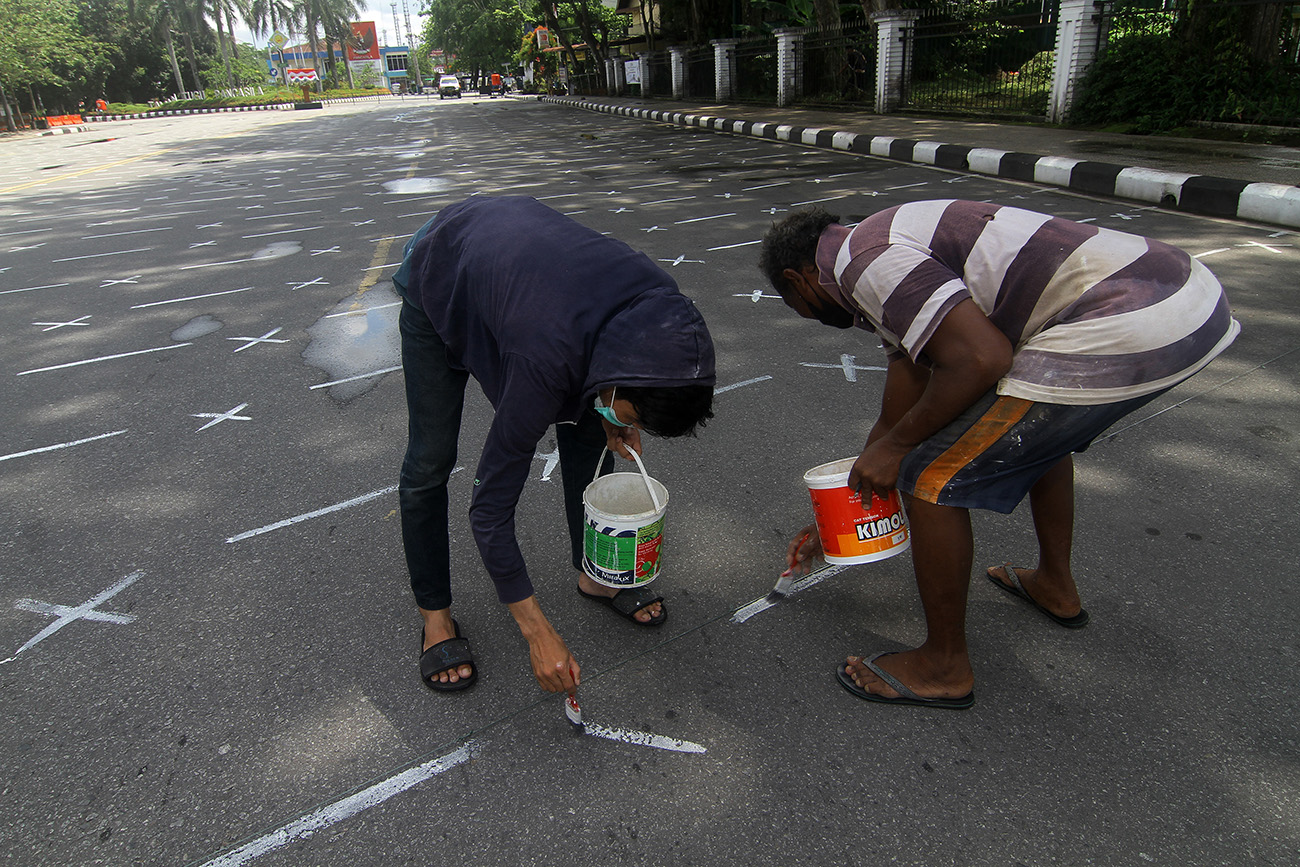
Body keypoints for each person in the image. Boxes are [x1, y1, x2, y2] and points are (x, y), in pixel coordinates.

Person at [760, 199, 1239, 709]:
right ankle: (1054, 585)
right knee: (1028, 436)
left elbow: (980, 358)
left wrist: (901, 451)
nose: (809, 317)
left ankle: (943, 667)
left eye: (797, 306)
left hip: (1133, 317)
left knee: (928, 481)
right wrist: (841, 514)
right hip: (1184, 298)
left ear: (800, 278)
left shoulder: (868, 262)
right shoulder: (877, 255)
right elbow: (907, 393)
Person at [392, 195, 715, 695]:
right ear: (617, 377)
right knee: (431, 459)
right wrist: (537, 633)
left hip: (526, 276)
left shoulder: (662, 313)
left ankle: (595, 575)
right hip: (443, 267)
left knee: (589, 436)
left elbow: (611, 384)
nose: (631, 427)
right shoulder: (542, 362)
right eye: (632, 415)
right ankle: (436, 616)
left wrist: (613, 418)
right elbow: (490, 511)